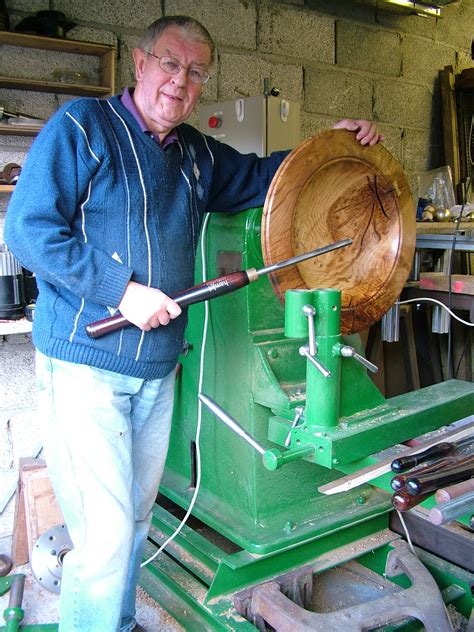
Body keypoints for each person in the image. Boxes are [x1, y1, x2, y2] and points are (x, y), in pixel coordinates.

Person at [4, 15, 383, 632]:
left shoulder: (197, 155)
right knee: (101, 540)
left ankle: (116, 624)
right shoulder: (82, 127)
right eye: (170, 64)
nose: (180, 82)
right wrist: (120, 292)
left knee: (132, 522)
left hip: (155, 369)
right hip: (84, 367)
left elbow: (269, 180)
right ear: (140, 63)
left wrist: (331, 147)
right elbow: (27, 229)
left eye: (196, 72)